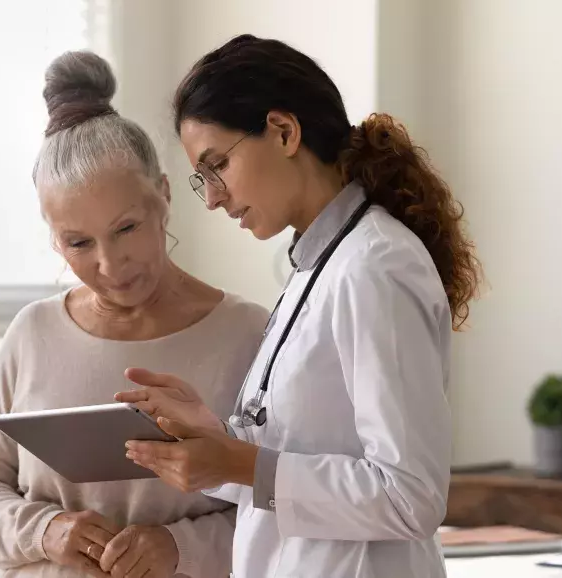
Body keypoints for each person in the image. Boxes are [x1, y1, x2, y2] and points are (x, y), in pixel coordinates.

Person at [116, 35, 482, 578]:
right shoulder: (317, 265)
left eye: (216, 166)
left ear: (284, 132)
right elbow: (306, 450)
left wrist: (243, 463)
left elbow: (412, 496)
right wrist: (218, 441)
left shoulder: (374, 267)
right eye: (202, 179)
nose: (212, 197)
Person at [0, 50, 269, 578]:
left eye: (126, 229)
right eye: (78, 242)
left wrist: (178, 546)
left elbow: (280, 501)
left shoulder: (248, 333)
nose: (110, 265)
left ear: (164, 195)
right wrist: (45, 532)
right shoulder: (33, 332)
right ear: (55, 240)